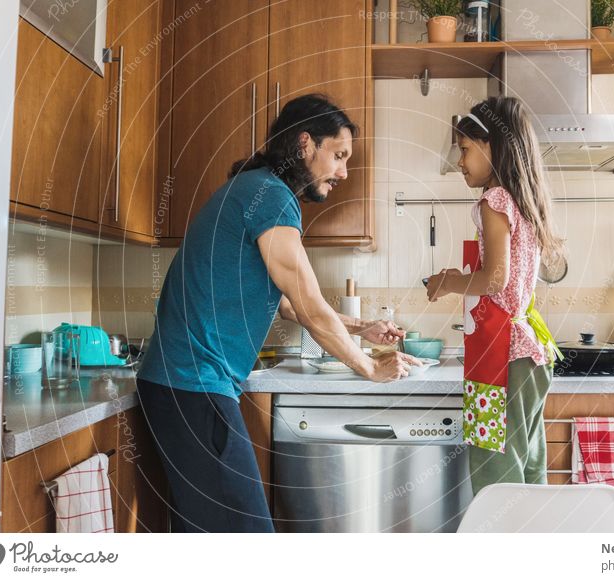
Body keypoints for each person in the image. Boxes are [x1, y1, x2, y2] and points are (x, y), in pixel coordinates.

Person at [136, 93, 421, 532]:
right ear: (305, 143)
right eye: (339, 155)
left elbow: (286, 303)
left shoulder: (256, 189)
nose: (344, 171)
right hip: (193, 387)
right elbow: (306, 304)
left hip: (181, 387)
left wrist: (363, 326)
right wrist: (368, 367)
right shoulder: (271, 196)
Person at [425, 96, 565, 495]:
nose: (460, 161)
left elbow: (495, 280)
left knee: (495, 468)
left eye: (466, 149)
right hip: (530, 352)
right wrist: (459, 276)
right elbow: (504, 277)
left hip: (505, 356)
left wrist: (447, 283)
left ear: (492, 146)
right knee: (528, 462)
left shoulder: (494, 199)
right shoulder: (523, 200)